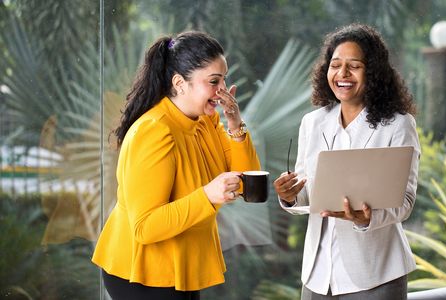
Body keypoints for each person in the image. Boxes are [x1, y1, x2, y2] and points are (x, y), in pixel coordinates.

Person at [92, 31, 260, 300]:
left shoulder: (205, 122)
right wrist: (206, 196)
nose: (223, 90)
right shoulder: (154, 132)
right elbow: (145, 226)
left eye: (224, 79)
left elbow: (246, 181)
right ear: (180, 83)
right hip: (141, 273)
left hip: (179, 266)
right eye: (214, 81)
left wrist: (235, 124)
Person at [273, 24, 420, 300]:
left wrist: (368, 218)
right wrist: (291, 196)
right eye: (335, 65)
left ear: (373, 72)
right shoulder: (313, 123)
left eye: (354, 66)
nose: (342, 74)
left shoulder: (398, 125)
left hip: (376, 273)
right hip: (318, 274)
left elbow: (405, 201)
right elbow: (308, 191)